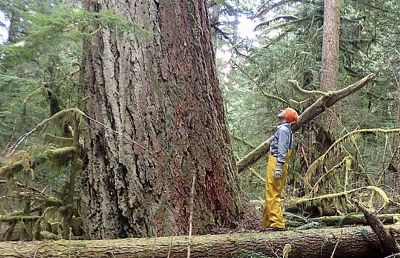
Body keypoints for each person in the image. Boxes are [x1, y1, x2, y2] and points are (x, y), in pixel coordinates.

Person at [262, 107, 299, 231]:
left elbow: (282, 149)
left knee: (272, 192)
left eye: (285, 111)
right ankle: (267, 222)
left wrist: (278, 167)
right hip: (279, 162)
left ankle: (277, 223)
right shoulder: (285, 130)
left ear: (287, 116)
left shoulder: (283, 130)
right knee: (271, 191)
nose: (282, 111)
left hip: (277, 161)